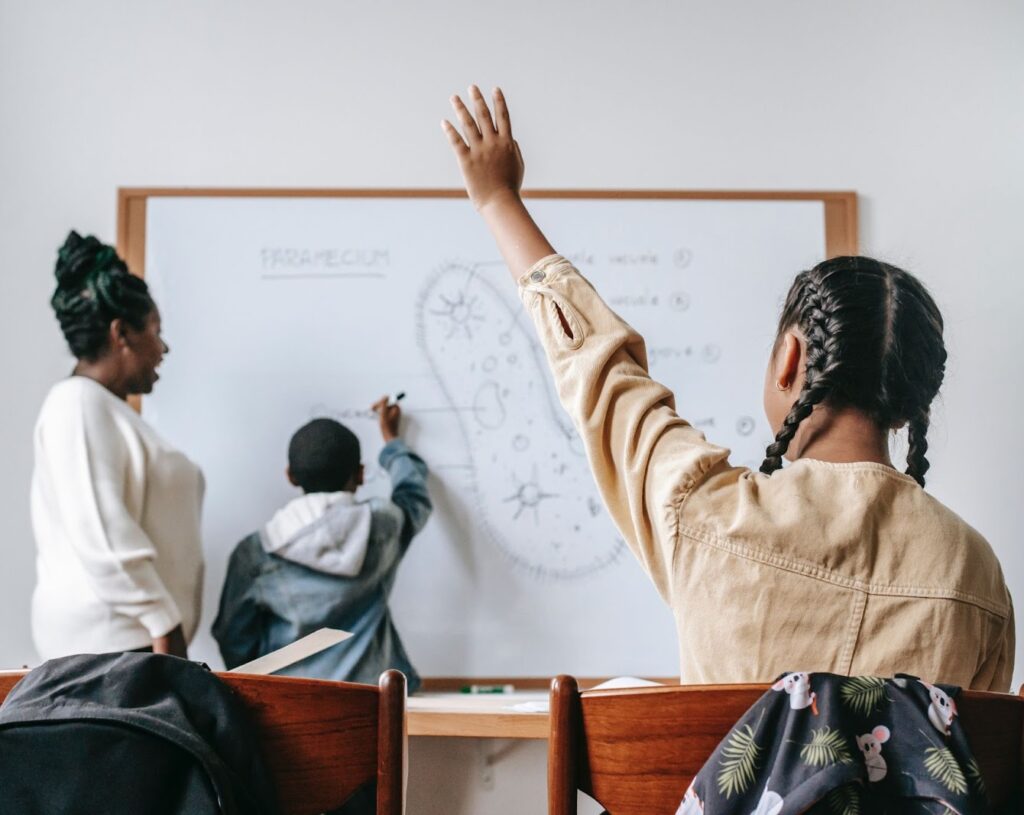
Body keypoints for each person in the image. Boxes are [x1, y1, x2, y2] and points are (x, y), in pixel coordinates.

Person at [440, 86, 1014, 690]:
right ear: (912, 403)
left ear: (789, 358)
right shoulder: (974, 574)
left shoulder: (710, 514)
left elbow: (604, 372)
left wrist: (497, 199)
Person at [31, 231, 204, 659]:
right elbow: (104, 534)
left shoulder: (105, 411)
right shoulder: (77, 404)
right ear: (121, 333)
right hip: (116, 659)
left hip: (134, 651)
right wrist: (165, 627)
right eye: (155, 331)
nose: (163, 348)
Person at [212, 397, 431, 692]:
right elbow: (414, 496)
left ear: (290, 476)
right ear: (360, 474)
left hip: (290, 708)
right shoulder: (383, 526)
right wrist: (392, 441)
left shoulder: (257, 551)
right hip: (376, 706)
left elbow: (234, 638)